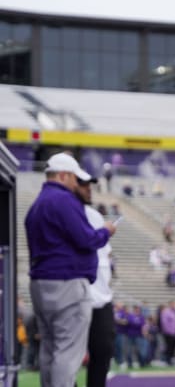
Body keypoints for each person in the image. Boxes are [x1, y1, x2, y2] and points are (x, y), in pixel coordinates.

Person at [25, 152, 117, 387]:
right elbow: (86, 239)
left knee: (50, 349)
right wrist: (106, 232)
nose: (77, 185)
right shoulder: (63, 200)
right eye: (75, 179)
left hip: (41, 281)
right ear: (64, 176)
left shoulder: (38, 203)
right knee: (67, 351)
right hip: (66, 282)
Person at [75, 175, 116, 387]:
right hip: (74, 294)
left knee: (103, 350)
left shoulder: (94, 215)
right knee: (69, 356)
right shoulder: (68, 213)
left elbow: (104, 258)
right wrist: (106, 232)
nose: (88, 189)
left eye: (89, 185)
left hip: (100, 298)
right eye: (83, 185)